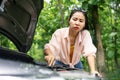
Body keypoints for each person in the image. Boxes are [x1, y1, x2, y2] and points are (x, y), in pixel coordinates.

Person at [44, 7, 101, 77]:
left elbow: (90, 52)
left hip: (77, 64)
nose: (77, 23)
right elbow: (49, 47)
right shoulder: (59, 33)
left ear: (84, 24)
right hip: (59, 63)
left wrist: (93, 71)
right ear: (69, 20)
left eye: (81, 21)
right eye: (74, 19)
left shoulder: (85, 34)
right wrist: (50, 54)